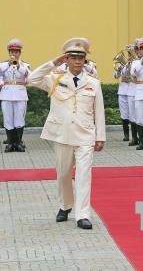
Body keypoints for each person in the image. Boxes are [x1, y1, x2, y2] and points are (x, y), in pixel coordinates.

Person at [28, 37, 105, 229]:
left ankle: (82, 214)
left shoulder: (93, 83)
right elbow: (31, 79)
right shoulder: (56, 78)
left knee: (83, 175)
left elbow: (99, 111)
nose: (78, 61)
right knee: (63, 174)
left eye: (81, 58)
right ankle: (65, 205)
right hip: (62, 134)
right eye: (73, 58)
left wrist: (100, 137)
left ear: (85, 60)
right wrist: (53, 63)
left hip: (85, 135)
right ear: (67, 59)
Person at [0, 39, 31, 152]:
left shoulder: (25, 65)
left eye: (16, 51)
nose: (14, 54)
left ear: (20, 52)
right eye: (12, 51)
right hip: (6, 94)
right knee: (8, 119)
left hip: (20, 94)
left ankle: (18, 143)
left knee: (19, 119)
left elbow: (30, 78)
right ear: (9, 52)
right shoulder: (3, 64)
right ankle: (10, 143)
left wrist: (19, 67)